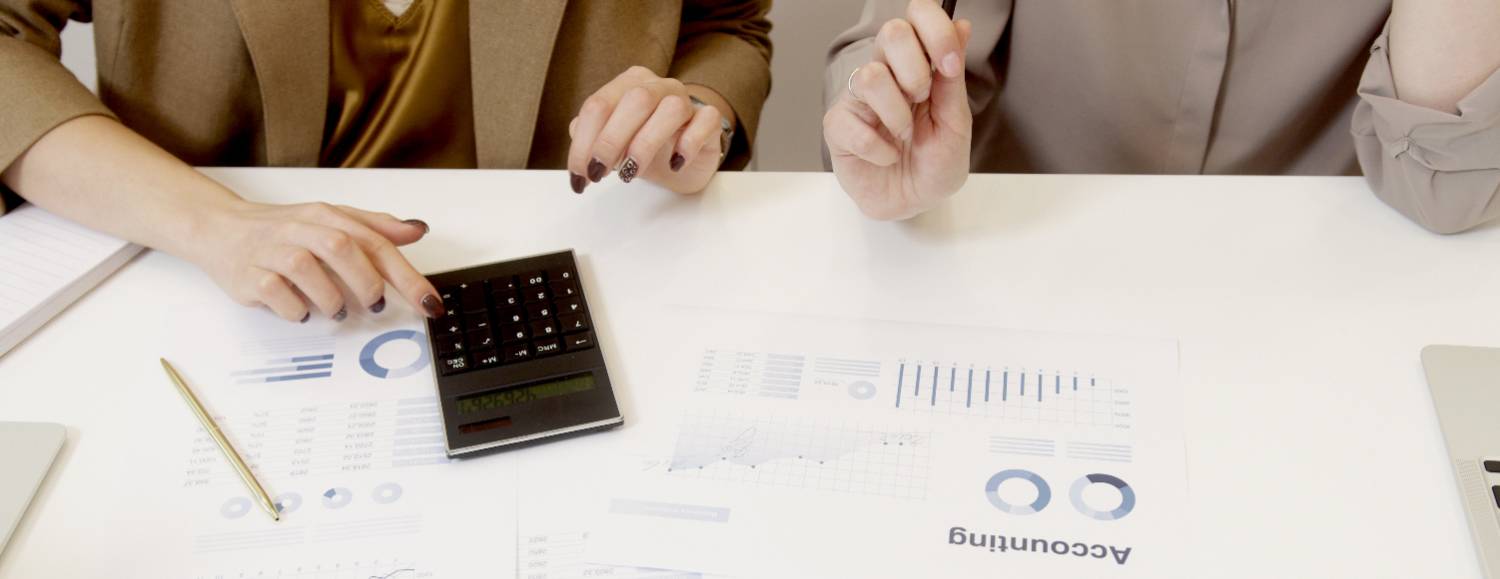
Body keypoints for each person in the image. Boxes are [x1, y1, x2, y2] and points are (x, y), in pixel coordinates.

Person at [0, 0, 772, 322]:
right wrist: (217, 225)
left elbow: (726, 25)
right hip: (202, 295)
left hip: (588, 279)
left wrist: (694, 115)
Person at [821, 0, 1500, 233]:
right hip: (1018, 268)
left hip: (1320, 312)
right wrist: (882, 126)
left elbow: (1441, 187)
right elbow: (895, 48)